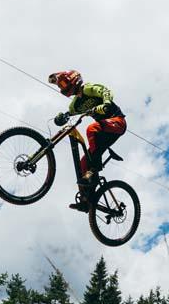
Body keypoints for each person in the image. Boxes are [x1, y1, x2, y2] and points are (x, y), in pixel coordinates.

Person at [48, 70, 127, 211]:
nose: (63, 87)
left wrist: (106, 103)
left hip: (117, 122)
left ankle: (94, 170)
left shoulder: (88, 89)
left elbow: (105, 91)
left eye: (64, 83)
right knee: (83, 163)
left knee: (91, 129)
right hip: (103, 133)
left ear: (73, 79)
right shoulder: (76, 104)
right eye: (60, 85)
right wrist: (61, 118)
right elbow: (70, 113)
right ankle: (87, 201)